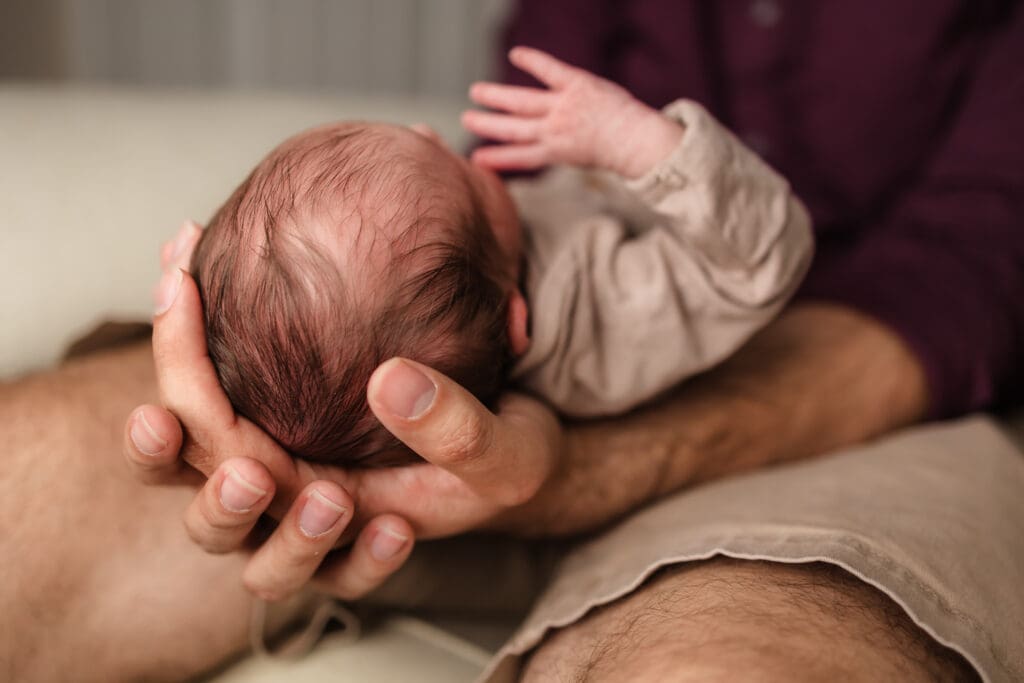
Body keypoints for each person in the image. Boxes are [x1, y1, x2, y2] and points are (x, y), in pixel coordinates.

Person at [189, 46, 810, 466]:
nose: (436, 136)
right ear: (518, 321)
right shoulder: (605, 323)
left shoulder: (482, 273)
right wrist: (642, 145)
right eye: (457, 167)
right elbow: (760, 262)